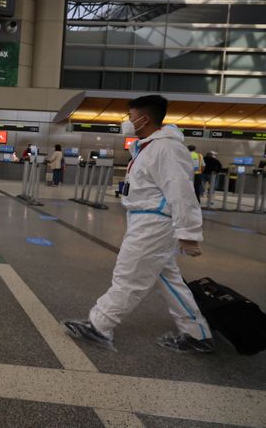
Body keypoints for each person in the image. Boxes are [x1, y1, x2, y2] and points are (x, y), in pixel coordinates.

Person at [63, 95, 213, 354]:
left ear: (145, 119)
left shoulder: (166, 148)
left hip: (153, 223)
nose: (128, 121)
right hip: (147, 219)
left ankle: (100, 325)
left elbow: (181, 190)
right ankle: (197, 334)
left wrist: (189, 232)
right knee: (167, 278)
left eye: (131, 117)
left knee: (128, 275)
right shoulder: (150, 146)